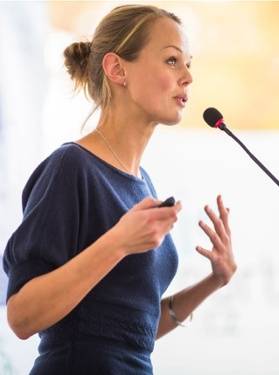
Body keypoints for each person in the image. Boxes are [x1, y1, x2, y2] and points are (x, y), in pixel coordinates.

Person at [2, 4, 237, 374]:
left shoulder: (143, 182)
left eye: (189, 63)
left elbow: (128, 334)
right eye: (173, 60)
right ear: (117, 69)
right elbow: (22, 316)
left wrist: (214, 282)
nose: (189, 76)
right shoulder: (72, 167)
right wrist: (118, 243)